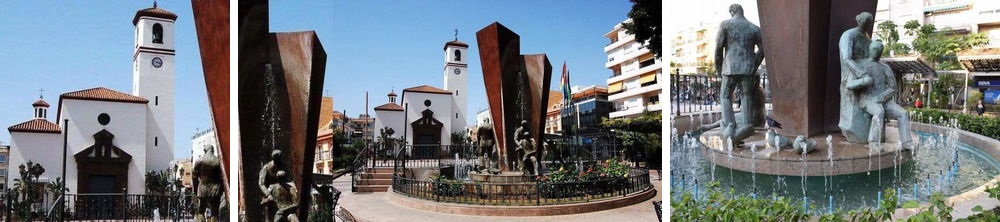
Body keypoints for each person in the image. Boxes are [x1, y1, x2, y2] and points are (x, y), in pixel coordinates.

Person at [715, 3, 764, 142]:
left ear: (732, 11)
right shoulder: (754, 28)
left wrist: (719, 68)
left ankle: (729, 126)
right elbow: (762, 50)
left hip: (729, 68)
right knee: (746, 96)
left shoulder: (725, 25)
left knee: (725, 96)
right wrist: (754, 65)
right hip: (748, 69)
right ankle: (747, 126)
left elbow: (718, 48)